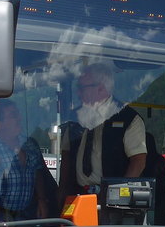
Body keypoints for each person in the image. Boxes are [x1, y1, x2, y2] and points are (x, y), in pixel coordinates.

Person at [60, 61, 147, 198]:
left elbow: (138, 161)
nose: (77, 92)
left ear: (100, 88)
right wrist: (62, 192)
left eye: (81, 88)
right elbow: (66, 156)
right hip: (77, 197)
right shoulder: (73, 118)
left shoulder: (128, 118)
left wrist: (120, 195)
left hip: (111, 198)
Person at [0, 99, 54, 220]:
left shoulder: (30, 144)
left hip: (28, 214)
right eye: (13, 115)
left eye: (18, 114)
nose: (19, 119)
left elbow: (38, 172)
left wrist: (41, 200)